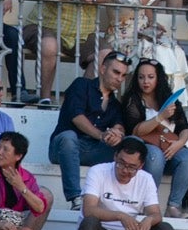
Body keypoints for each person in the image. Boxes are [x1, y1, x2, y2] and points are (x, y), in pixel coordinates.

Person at [49, 50, 139, 210]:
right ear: (103, 69)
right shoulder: (81, 85)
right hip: (64, 148)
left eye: (123, 75)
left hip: (93, 150)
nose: (119, 78)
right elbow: (77, 117)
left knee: (132, 145)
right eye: (116, 72)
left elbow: (119, 125)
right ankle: (76, 199)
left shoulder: (115, 104)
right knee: (69, 137)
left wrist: (117, 135)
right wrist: (102, 135)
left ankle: (125, 201)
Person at [121, 57, 188, 217]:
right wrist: (160, 116)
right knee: (155, 156)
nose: (145, 82)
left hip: (169, 147)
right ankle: (148, 204)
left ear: (158, 78)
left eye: (150, 77)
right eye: (141, 77)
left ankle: (173, 206)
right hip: (145, 147)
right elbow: (136, 130)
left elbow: (184, 128)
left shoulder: (169, 99)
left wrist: (179, 143)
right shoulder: (133, 99)